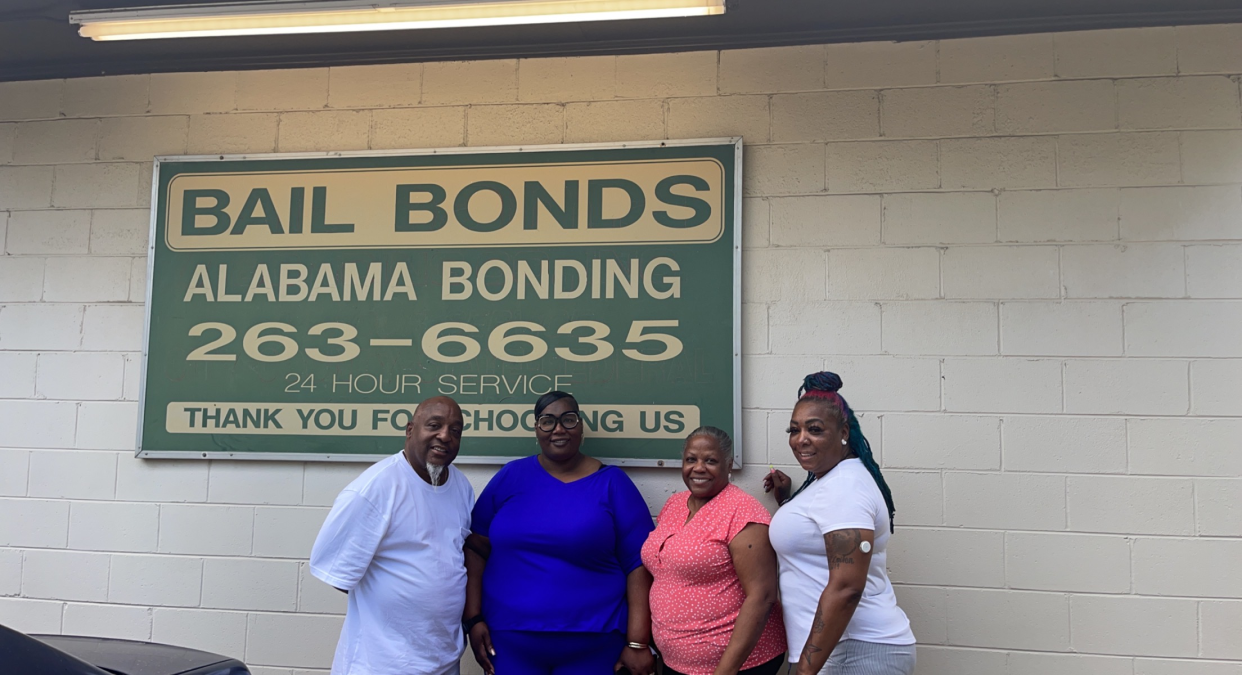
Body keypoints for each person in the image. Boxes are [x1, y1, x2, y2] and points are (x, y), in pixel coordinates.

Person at [463, 391, 656, 675]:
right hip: (509, 641)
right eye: (547, 421)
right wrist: (473, 617)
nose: (559, 429)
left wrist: (638, 642)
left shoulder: (613, 483)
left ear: (580, 426)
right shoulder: (510, 477)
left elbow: (640, 564)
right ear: (536, 428)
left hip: (594, 643)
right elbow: (476, 548)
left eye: (568, 420)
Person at [762, 373, 915, 675]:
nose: (801, 439)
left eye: (814, 429)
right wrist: (790, 503)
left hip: (850, 652)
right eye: (794, 430)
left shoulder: (845, 487)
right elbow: (820, 537)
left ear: (844, 432)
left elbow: (846, 588)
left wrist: (806, 670)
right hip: (841, 651)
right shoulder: (835, 482)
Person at [309, 396, 474, 675]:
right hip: (382, 664)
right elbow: (337, 572)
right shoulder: (375, 488)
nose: (445, 436)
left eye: (455, 431)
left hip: (444, 662)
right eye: (434, 425)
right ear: (410, 430)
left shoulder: (461, 486)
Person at [642, 426, 787, 675]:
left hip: (737, 665)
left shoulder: (743, 512)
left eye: (710, 460)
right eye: (691, 459)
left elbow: (762, 597)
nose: (699, 468)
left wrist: (726, 671)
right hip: (676, 662)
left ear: (728, 465)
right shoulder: (675, 503)